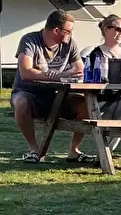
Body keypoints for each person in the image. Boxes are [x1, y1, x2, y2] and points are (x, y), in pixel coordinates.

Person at [10, 10, 92, 164]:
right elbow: (26, 72)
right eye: (69, 31)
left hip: (58, 94)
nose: (71, 35)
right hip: (30, 93)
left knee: (85, 104)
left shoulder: (69, 43)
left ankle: (74, 150)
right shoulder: (29, 40)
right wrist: (55, 76)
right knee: (21, 101)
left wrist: (62, 75)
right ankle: (34, 150)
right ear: (56, 30)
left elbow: (80, 69)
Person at [87, 15, 121, 149]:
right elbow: (96, 78)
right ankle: (104, 153)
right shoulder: (96, 53)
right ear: (106, 29)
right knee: (105, 115)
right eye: (118, 29)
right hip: (106, 96)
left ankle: (107, 152)